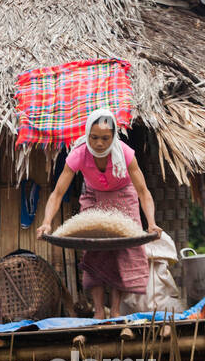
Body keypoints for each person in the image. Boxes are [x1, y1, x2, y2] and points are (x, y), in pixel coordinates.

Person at [35, 108, 162, 318]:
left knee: (122, 249)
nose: (99, 143)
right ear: (87, 135)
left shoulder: (126, 154)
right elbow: (57, 193)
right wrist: (47, 222)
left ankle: (114, 310)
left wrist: (151, 223)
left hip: (123, 195)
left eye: (105, 138)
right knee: (93, 247)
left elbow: (143, 191)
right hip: (94, 196)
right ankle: (98, 311)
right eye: (94, 138)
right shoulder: (78, 154)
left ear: (113, 137)